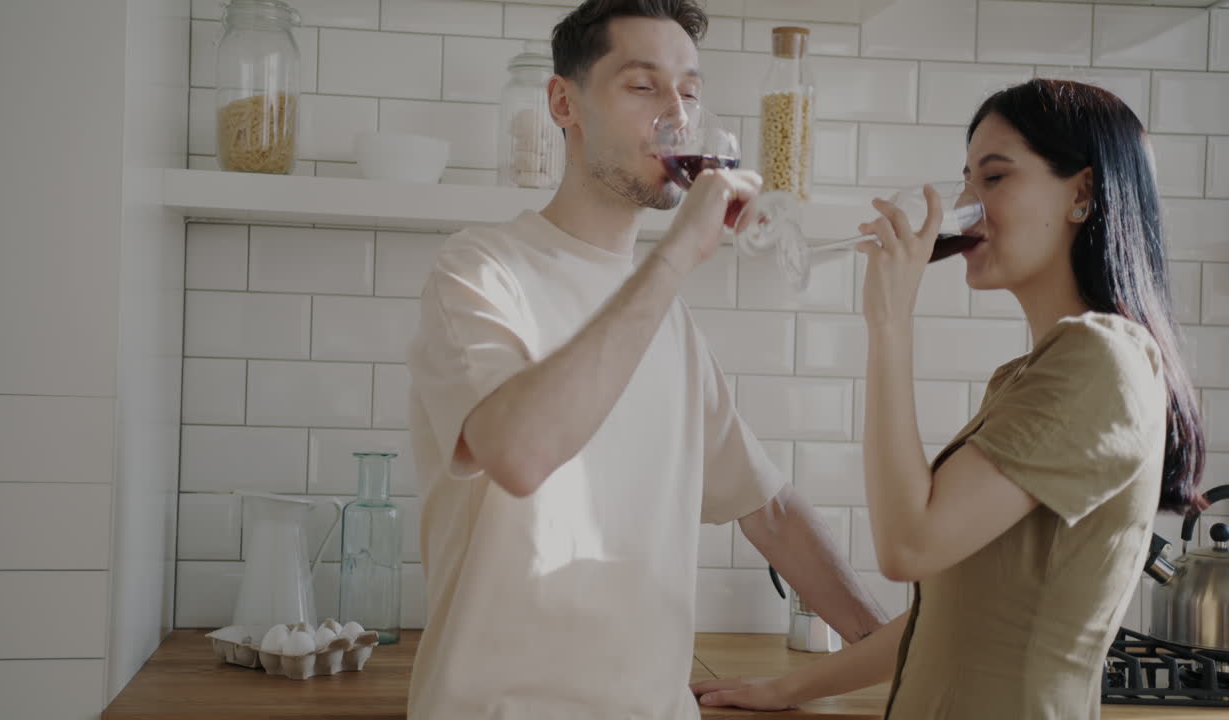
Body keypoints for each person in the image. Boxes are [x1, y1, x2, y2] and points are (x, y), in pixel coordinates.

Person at [404, 1, 887, 718]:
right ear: (563, 102)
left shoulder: (671, 322)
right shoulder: (481, 271)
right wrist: (674, 258)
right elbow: (519, 453)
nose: (677, 116)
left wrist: (889, 649)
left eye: (689, 92)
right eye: (642, 87)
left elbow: (772, 510)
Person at [691, 78, 1206, 719]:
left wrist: (889, 324)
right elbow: (949, 614)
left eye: (994, 178)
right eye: (967, 181)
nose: (966, 204)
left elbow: (907, 547)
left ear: (1083, 193)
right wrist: (787, 688)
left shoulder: (1099, 359)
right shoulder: (1029, 375)